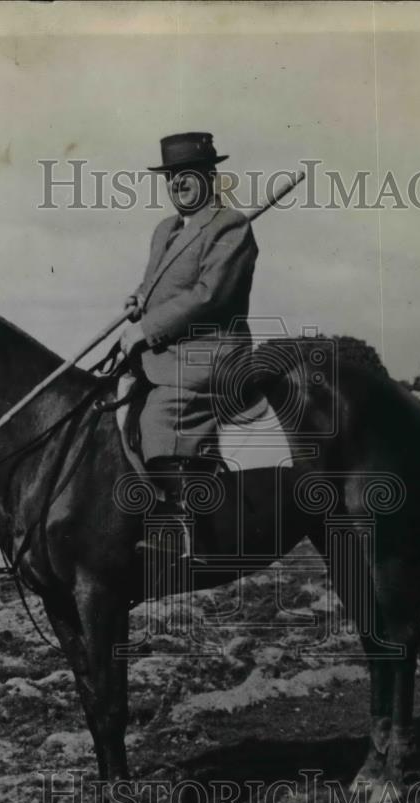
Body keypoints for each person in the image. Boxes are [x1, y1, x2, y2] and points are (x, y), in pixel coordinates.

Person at [119, 132, 258, 559]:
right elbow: (155, 283)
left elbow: (208, 295)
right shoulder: (165, 230)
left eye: (188, 175)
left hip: (211, 353)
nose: (178, 183)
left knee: (162, 414)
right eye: (172, 176)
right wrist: (138, 301)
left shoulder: (231, 226)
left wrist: (148, 329)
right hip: (166, 349)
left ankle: (181, 527)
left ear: (210, 176)